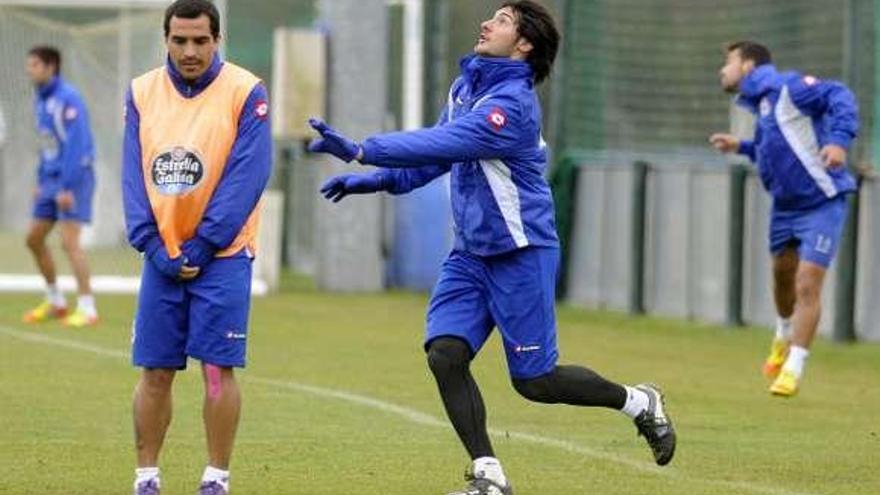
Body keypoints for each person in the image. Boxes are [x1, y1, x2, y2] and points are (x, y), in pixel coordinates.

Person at [308, 2, 675, 493]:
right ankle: (488, 473)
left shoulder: (512, 106)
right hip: (470, 255)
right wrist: (374, 181)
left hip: (521, 253)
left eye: (502, 21)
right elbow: (436, 158)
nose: (486, 23)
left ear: (524, 45)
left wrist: (361, 148)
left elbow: (443, 143)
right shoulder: (466, 88)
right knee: (445, 353)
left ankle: (638, 402)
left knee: (535, 382)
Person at [121, 0, 271, 493]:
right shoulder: (142, 92)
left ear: (217, 39)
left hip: (222, 256)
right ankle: (146, 477)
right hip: (161, 256)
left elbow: (248, 174)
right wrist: (152, 244)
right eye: (180, 40)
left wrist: (205, 245)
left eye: (200, 41)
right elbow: (132, 175)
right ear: (165, 39)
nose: (190, 51)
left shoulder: (246, 91)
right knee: (156, 370)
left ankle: (216, 478)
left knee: (216, 369)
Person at [710, 41, 859, 397]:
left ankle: (793, 367)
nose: (722, 70)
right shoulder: (762, 104)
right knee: (782, 280)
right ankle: (782, 332)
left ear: (747, 65)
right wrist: (741, 147)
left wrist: (839, 141)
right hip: (784, 208)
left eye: (727, 62)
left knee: (807, 283)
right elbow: (773, 147)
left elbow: (840, 94)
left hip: (823, 201)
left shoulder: (789, 88)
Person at [22, 45, 98, 328]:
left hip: (74, 178)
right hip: (51, 179)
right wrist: (42, 181)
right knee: (33, 238)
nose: (30, 70)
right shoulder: (41, 100)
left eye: (34, 65)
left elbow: (76, 146)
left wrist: (67, 186)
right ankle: (56, 301)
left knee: (69, 243)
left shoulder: (69, 99)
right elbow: (47, 144)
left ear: (50, 66)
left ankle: (88, 307)